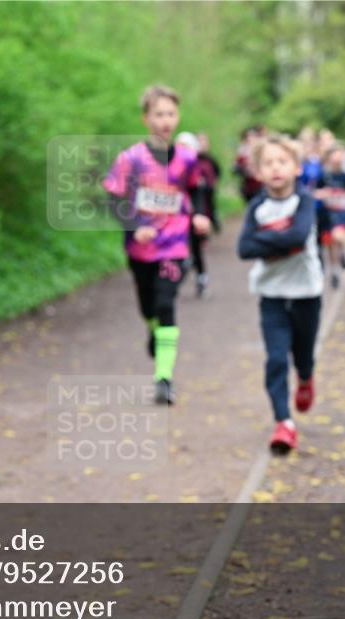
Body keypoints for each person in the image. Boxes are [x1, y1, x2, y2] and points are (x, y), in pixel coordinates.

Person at [103, 85, 211, 405]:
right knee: (148, 306)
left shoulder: (189, 159)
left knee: (166, 303)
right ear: (146, 118)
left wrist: (200, 216)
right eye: (159, 114)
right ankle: (153, 329)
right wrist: (134, 226)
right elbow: (113, 199)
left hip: (174, 245)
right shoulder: (130, 159)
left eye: (171, 114)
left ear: (177, 117)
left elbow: (199, 191)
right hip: (140, 249)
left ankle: (163, 378)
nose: (165, 121)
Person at [237, 135, 322, 455]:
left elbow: (300, 234)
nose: (275, 168)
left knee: (302, 354)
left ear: (297, 168)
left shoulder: (305, 202)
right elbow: (244, 248)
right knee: (275, 358)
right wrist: (284, 241)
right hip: (271, 294)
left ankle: (306, 377)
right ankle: (283, 423)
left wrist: (267, 239)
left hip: (306, 293)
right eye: (268, 163)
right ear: (258, 172)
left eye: (282, 161)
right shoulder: (257, 207)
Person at [178, 131, 221, 297]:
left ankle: (201, 277)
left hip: (197, 214)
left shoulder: (202, 165)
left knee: (196, 248)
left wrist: (205, 215)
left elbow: (208, 190)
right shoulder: (171, 166)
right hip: (176, 218)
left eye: (187, 147)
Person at [315, 144, 345, 289]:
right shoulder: (323, 175)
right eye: (335, 155)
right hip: (327, 214)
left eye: (340, 155)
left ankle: (343, 252)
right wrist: (321, 194)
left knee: (339, 237)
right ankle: (334, 272)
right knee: (330, 243)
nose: (338, 158)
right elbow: (315, 192)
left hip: (342, 213)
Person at [233, 127, 264, 202]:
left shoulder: (262, 151)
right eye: (249, 137)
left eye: (253, 136)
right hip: (248, 184)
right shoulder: (242, 152)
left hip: (261, 184)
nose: (251, 139)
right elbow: (236, 167)